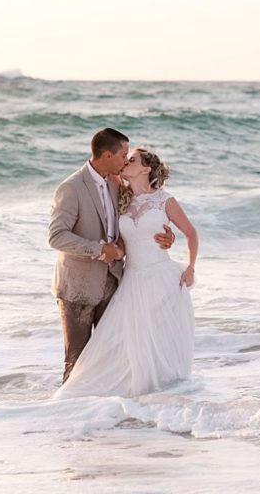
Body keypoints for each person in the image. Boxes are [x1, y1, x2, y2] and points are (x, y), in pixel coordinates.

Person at [53, 146, 198, 399]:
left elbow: (192, 233)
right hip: (131, 279)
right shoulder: (120, 195)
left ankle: (161, 399)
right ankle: (92, 399)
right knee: (121, 341)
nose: (126, 162)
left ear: (146, 168)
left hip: (161, 278)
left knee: (157, 339)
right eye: (125, 158)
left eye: (132, 160)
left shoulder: (165, 200)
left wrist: (190, 266)